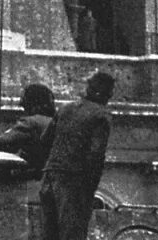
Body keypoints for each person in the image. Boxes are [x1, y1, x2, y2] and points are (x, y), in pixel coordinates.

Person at [39, 72, 115, 240]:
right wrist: (90, 186)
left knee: (49, 235)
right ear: (107, 94)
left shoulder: (65, 109)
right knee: (72, 234)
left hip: (49, 177)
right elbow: (96, 154)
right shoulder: (101, 115)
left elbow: (44, 140)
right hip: (74, 181)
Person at [0, 83, 57, 178]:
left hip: (32, 180)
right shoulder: (58, 122)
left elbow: (1, 143)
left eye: (25, 107)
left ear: (31, 105)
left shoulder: (31, 122)